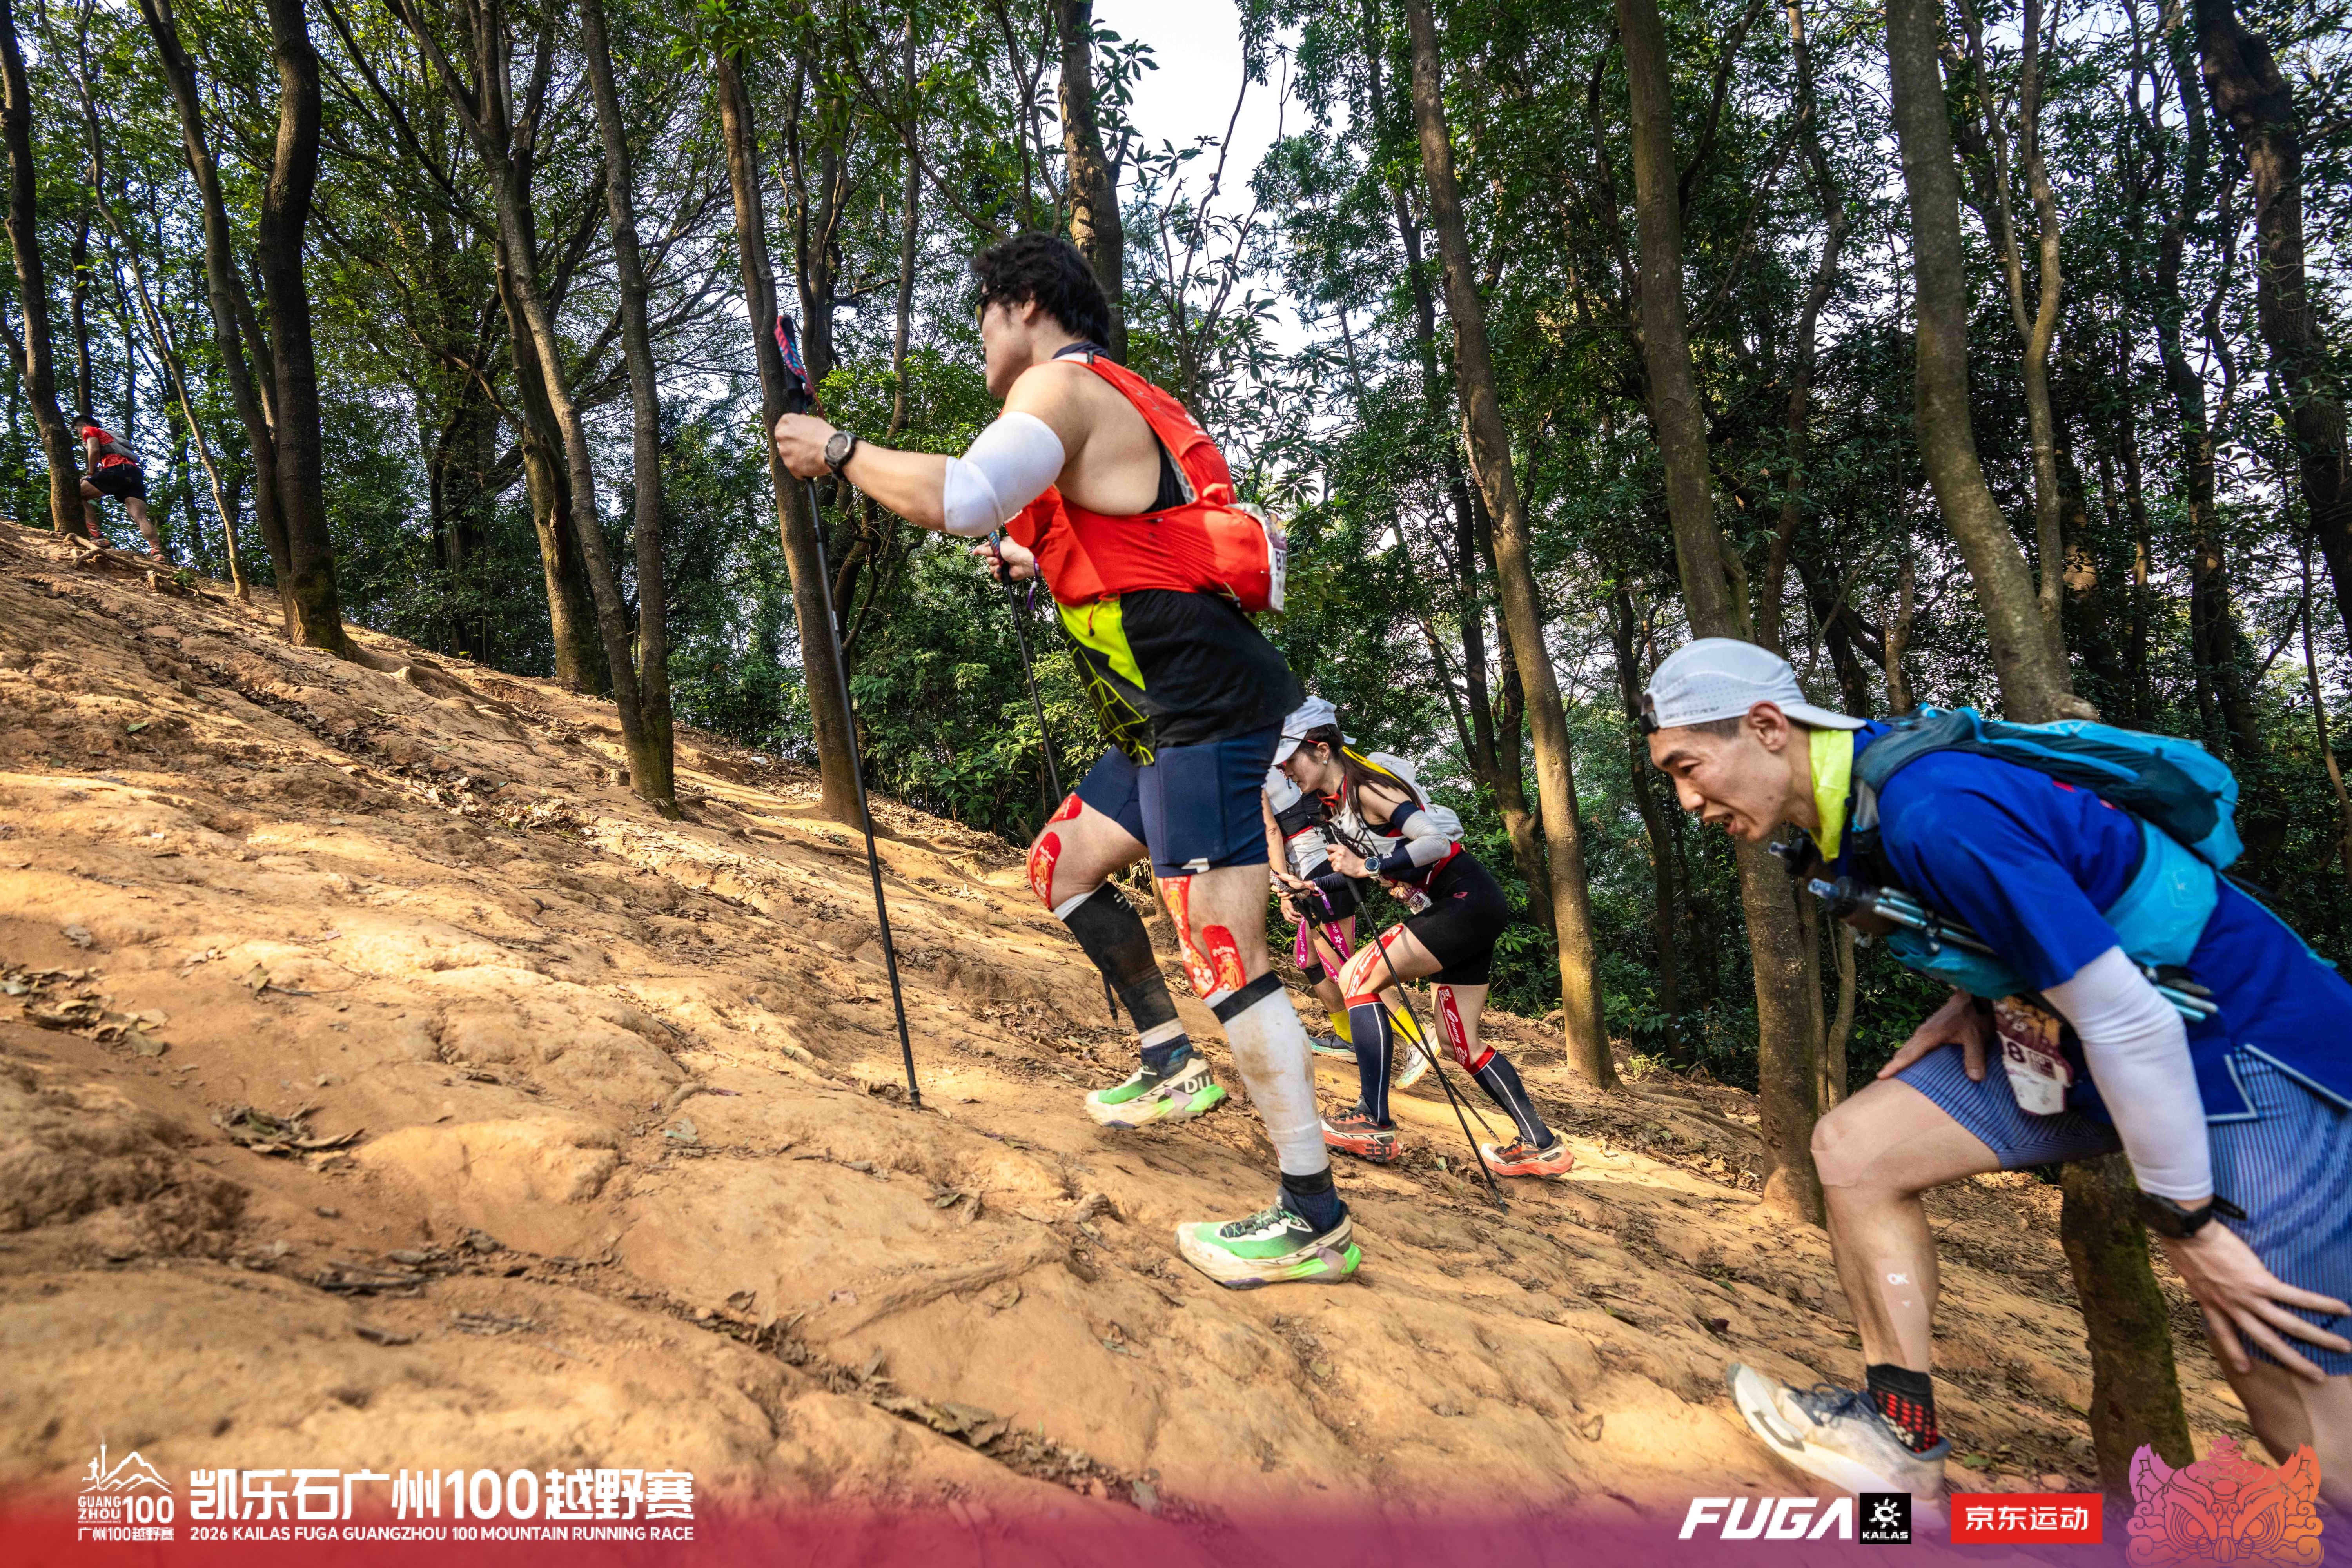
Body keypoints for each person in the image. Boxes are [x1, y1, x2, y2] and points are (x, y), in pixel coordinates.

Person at [1641, 637, 2352, 1518]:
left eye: (1688, 767)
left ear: (1766, 726)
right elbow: (2038, 926)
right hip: (2097, 1052)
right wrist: (1977, 1001)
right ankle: (1900, 1444)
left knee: (2299, 1413)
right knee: (1857, 1151)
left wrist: (2189, 1224)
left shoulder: (1934, 808)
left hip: (2251, 1051)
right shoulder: (1858, 806)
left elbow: (2128, 1017)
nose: (1688, 800)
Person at [772, 233, 1356, 1289]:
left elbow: (964, 494)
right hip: (1155, 719)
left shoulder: (1061, 384)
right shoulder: (1104, 401)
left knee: (1223, 948)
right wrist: (1027, 554)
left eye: (983, 317)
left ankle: (1313, 1217)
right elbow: (1110, 538)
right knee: (1063, 864)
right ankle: (1170, 1062)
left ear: (1027, 304)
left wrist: (841, 449)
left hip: (1202, 709)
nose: (979, 341)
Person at [1272, 701, 1574, 1179]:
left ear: (1322, 750)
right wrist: (1311, 885)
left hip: (1463, 898)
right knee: (1459, 1043)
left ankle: (1372, 1120)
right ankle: (1541, 1144)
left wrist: (1369, 865)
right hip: (1467, 907)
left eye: (1290, 759)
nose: (1285, 771)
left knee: (1356, 977)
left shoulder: (1367, 787)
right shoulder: (1338, 805)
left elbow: (1434, 842)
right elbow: (1365, 872)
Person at [1264, 758, 1429, 1083]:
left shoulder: (1253, 767)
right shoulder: (1282, 762)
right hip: (1313, 872)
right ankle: (1348, 1038)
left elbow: (1270, 830)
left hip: (1321, 871)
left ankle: (1419, 1037)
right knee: (1308, 959)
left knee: (1347, 968)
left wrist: (1284, 889)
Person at [74, 414, 162, 557]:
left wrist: (90, 473)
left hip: (116, 469)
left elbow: (94, 450)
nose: (78, 434)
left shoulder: (89, 430)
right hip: (134, 473)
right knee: (140, 517)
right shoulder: (113, 436)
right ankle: (157, 552)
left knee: (76, 493)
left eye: (77, 430)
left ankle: (97, 537)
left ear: (84, 425)